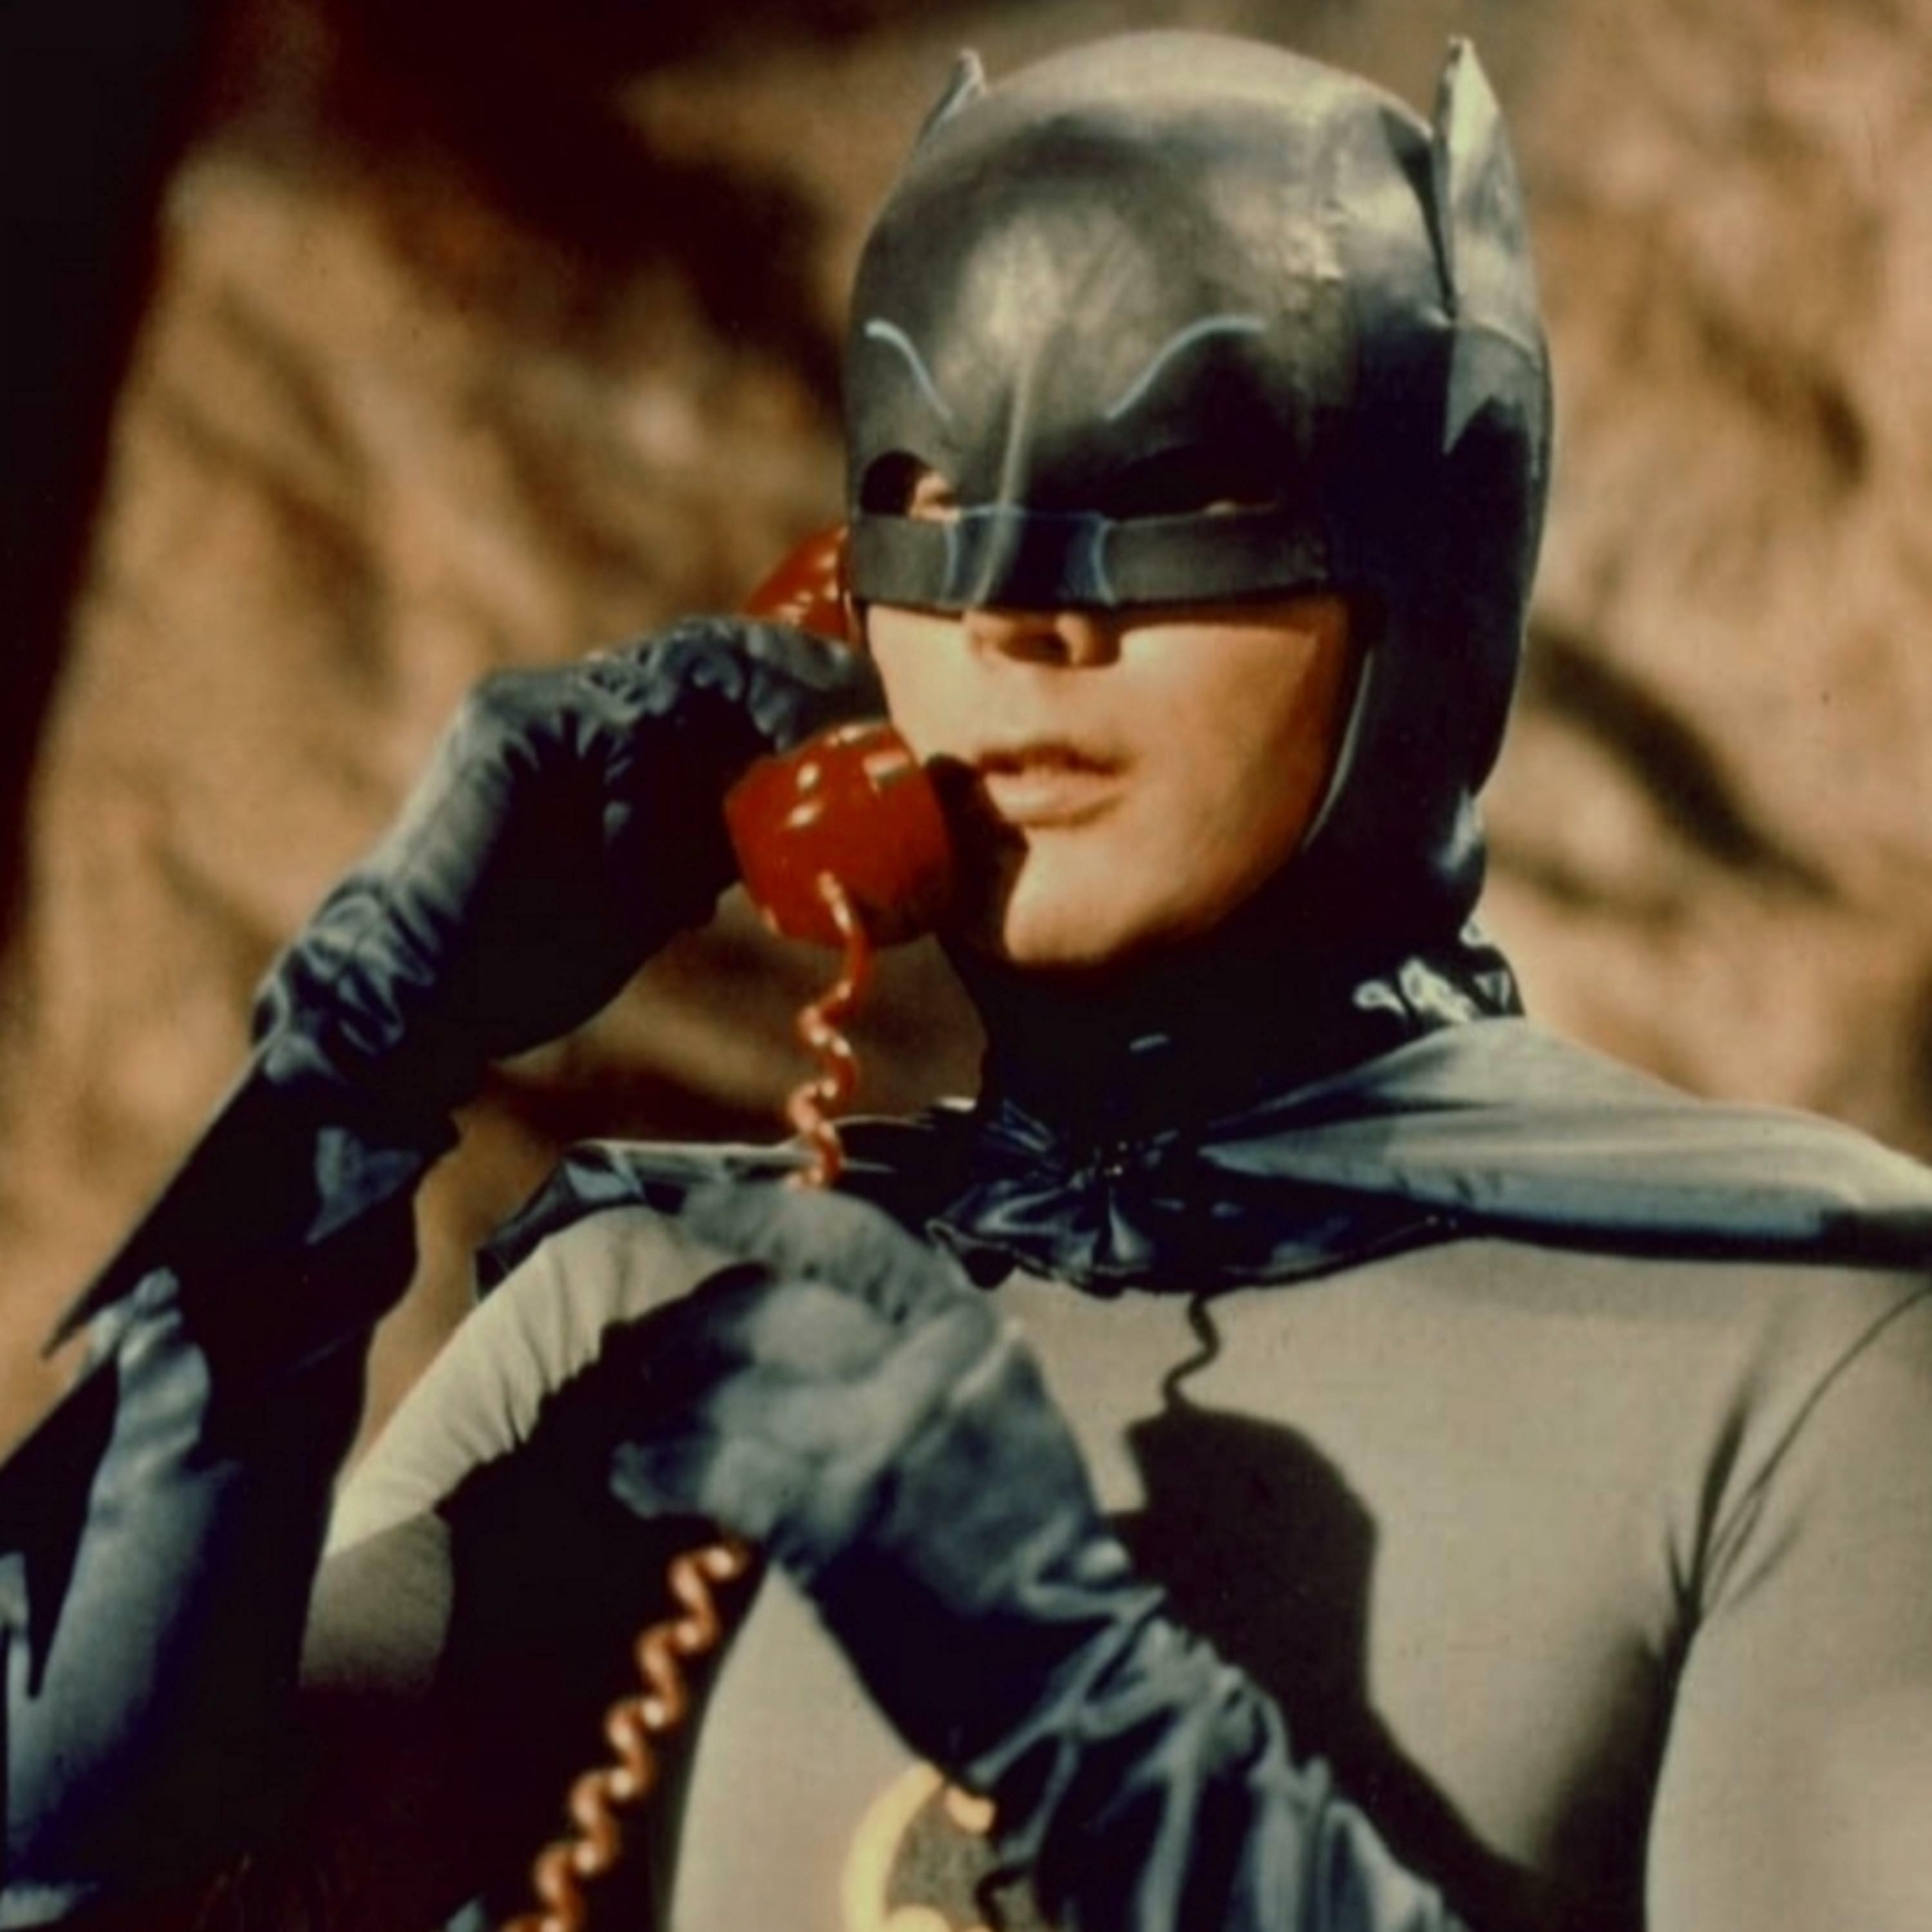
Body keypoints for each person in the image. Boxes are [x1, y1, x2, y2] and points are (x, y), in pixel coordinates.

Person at [5, 29, 1932, 1932]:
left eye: (1177, 490)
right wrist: (339, 1089)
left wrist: (1065, 1685)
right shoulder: (656, 1311)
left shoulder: (1810, 1353)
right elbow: (75, 1872)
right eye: (925, 501)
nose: (1018, 615)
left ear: (1436, 562)